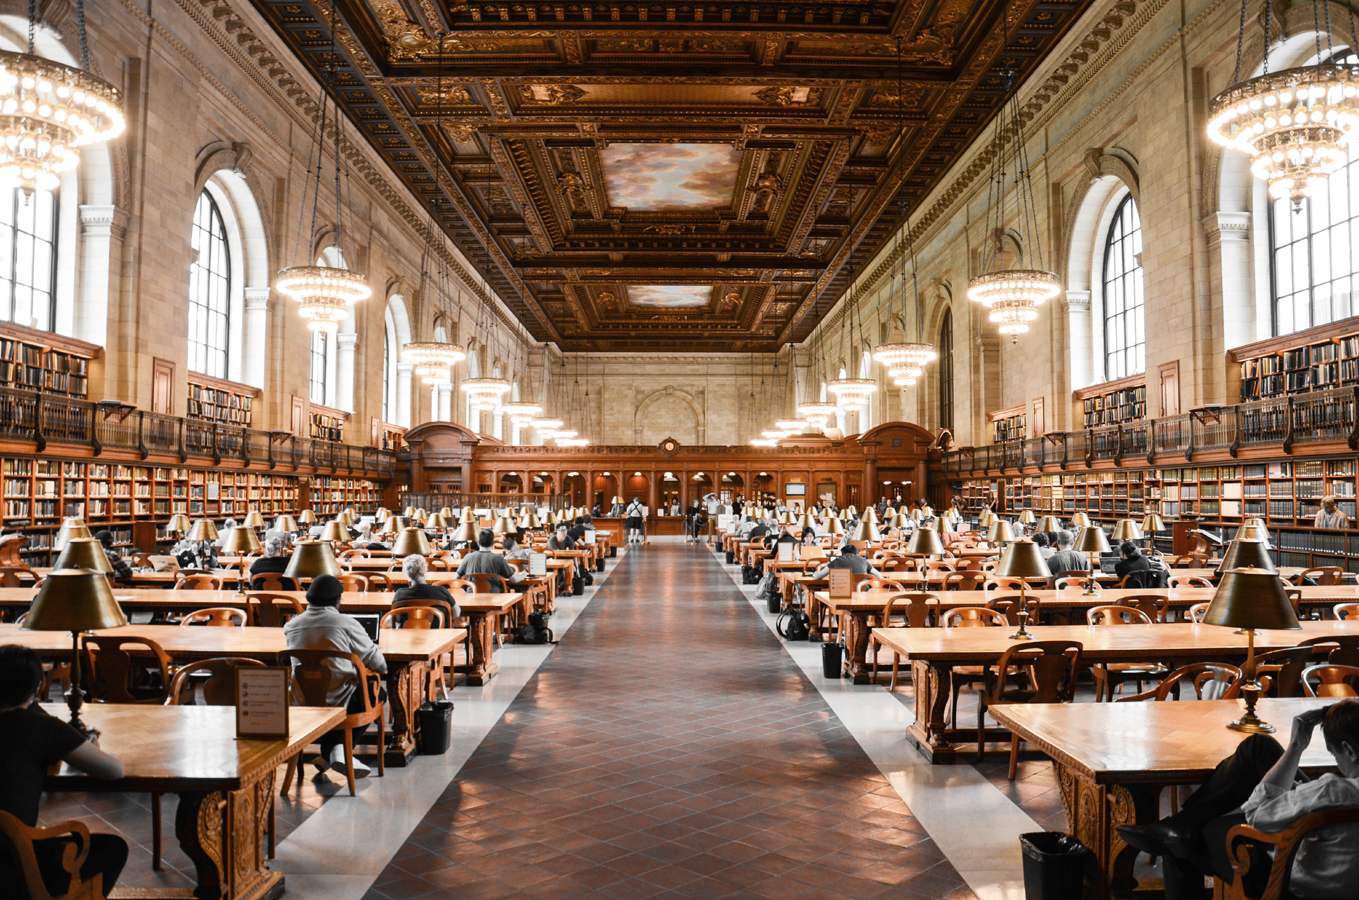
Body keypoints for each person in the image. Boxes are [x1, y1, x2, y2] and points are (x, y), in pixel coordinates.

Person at [1118, 700, 1359, 900]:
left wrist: (1296, 747)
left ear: (1349, 750)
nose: (1337, 763)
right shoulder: (1332, 792)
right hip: (1342, 872)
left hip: (1287, 882)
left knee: (1185, 840)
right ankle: (1181, 824)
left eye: (1334, 754)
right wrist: (1297, 795)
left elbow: (1258, 816)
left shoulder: (1331, 792)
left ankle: (1181, 826)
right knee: (1260, 746)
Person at [0, 646, 129, 900]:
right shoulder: (42, 729)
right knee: (114, 849)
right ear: (36, 688)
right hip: (15, 864)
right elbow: (114, 771)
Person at [283, 575, 387, 778]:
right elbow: (379, 665)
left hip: (302, 699)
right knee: (377, 693)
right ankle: (337, 750)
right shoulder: (346, 623)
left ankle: (330, 754)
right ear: (337, 600)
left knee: (332, 694)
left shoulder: (291, 626)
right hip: (342, 700)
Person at [456, 529, 525, 593]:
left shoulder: (467, 557)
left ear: (478, 542)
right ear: (492, 543)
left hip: (471, 595)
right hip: (494, 596)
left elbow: (457, 578)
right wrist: (525, 574)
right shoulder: (498, 558)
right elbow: (514, 579)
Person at [394, 555, 464, 609]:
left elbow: (397, 618)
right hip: (438, 628)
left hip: (409, 628)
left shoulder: (399, 594)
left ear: (406, 572)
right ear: (426, 569)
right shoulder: (441, 591)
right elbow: (456, 613)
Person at [811, 543, 879, 579]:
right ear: (856, 553)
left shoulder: (836, 561)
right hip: (862, 593)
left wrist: (815, 574)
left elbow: (818, 577)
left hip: (842, 594)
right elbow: (879, 575)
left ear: (842, 554)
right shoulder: (864, 561)